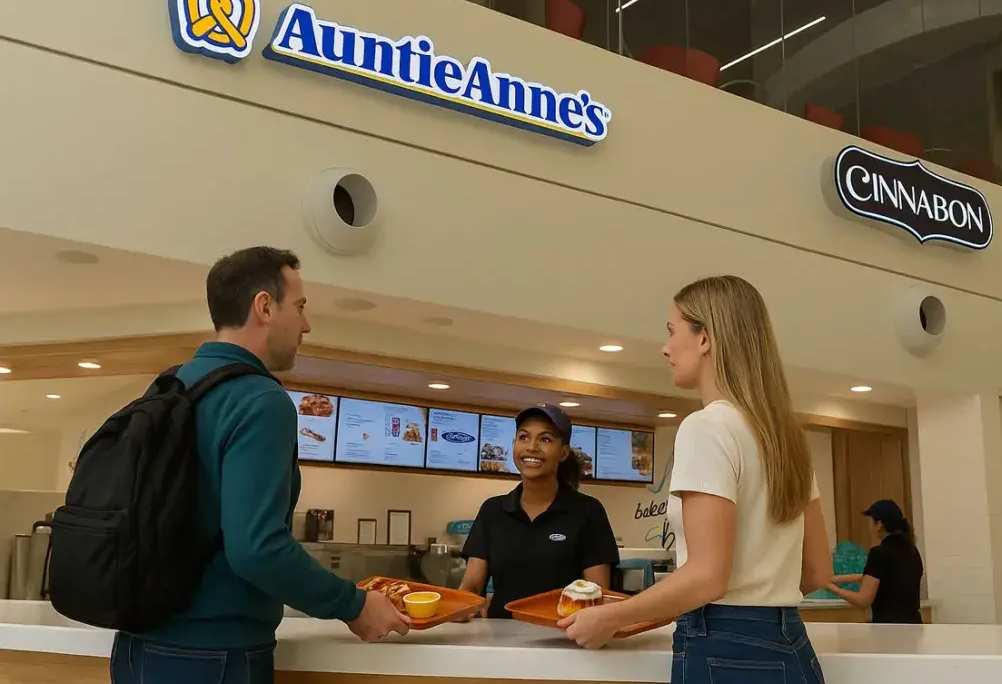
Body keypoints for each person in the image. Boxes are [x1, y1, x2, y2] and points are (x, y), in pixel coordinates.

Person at [110, 247, 410, 684]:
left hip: (135, 649)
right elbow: (257, 548)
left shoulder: (170, 386)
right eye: (301, 307)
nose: (306, 325)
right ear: (265, 307)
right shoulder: (261, 400)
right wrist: (353, 604)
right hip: (212, 656)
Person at [559, 276, 833, 684]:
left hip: (724, 650)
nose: (665, 348)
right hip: (792, 645)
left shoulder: (706, 427)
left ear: (705, 337)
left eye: (672, 331)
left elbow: (707, 576)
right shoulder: (786, 438)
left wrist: (613, 616)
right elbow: (816, 572)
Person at [458, 404, 620, 619]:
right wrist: (459, 609)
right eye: (524, 437)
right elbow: (471, 588)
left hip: (564, 638)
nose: (531, 447)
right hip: (500, 641)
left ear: (563, 452)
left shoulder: (588, 512)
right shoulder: (493, 511)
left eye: (545, 439)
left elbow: (597, 595)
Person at [824, 499, 924, 624]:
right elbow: (885, 578)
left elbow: (863, 600)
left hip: (889, 629)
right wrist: (838, 579)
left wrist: (832, 588)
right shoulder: (912, 550)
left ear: (879, 525)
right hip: (914, 626)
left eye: (870, 521)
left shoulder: (879, 553)